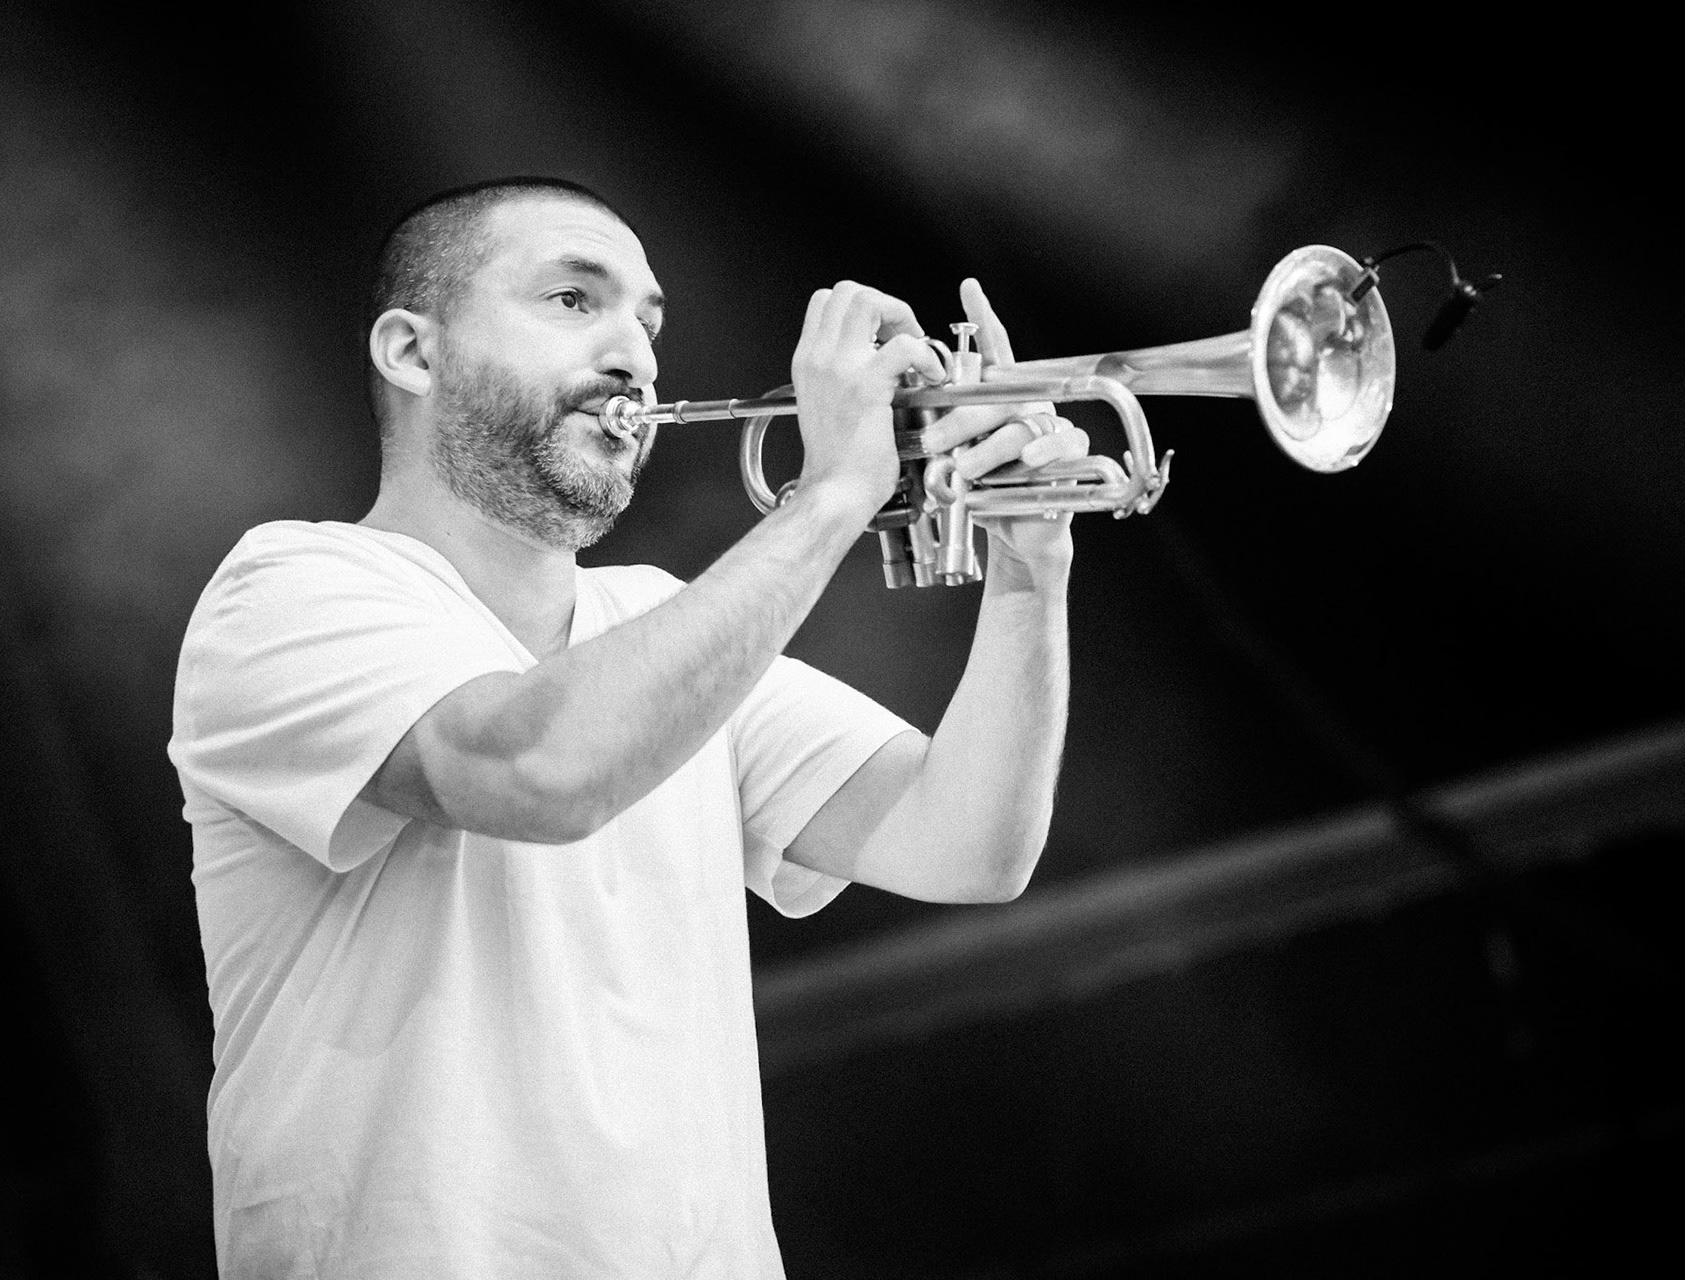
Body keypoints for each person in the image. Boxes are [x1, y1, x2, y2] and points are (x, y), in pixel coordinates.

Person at [167, 175, 1090, 1278]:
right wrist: (834, 494)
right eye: (573, 300)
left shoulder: (660, 620)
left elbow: (970, 842)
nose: (636, 356)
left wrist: (1034, 566)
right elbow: (542, 769)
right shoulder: (286, 589)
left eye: (648, 321)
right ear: (413, 352)